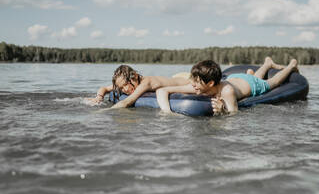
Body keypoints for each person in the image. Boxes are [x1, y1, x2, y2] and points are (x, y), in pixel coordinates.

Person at [156, 57, 298, 115]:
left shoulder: (227, 91)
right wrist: (167, 113)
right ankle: (267, 63)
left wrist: (222, 110)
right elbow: (162, 90)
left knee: (272, 82)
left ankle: (291, 65)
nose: (192, 84)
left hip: (250, 85)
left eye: (196, 81)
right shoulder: (197, 86)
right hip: (235, 78)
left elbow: (234, 114)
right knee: (252, 75)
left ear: (210, 83)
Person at [86, 65, 190, 108]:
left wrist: (102, 112)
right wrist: (99, 97)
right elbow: (104, 88)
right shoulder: (126, 83)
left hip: (187, 80)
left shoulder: (146, 82)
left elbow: (127, 102)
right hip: (175, 78)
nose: (125, 90)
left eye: (126, 85)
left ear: (134, 76)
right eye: (121, 88)